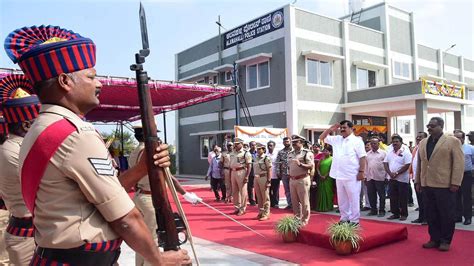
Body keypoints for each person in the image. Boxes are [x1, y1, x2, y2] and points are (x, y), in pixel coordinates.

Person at [6, 25, 191, 265]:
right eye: (91, 76)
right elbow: (126, 218)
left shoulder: (42, 128)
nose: (99, 83)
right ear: (65, 81)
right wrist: (159, 259)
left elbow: (94, 197)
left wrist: (142, 168)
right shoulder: (76, 134)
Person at [129, 126, 201, 266]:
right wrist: (186, 194)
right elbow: (168, 176)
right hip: (151, 199)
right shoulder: (151, 152)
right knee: (153, 241)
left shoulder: (135, 151)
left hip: (139, 196)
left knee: (142, 239)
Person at [0, 74, 41, 265]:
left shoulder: (15, 147)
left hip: (30, 232)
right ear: (26, 125)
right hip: (27, 236)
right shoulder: (15, 151)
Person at [415, 117, 464, 252]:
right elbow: (420, 163)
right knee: (431, 214)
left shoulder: (452, 141)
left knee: (446, 214)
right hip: (427, 184)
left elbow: (459, 163)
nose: (429, 128)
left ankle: (445, 240)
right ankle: (434, 239)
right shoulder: (423, 142)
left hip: (445, 185)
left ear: (441, 126)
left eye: (432, 126)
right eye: (428, 125)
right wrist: (418, 181)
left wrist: (455, 182)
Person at [320, 120, 366, 225]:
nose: (342, 129)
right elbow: (321, 138)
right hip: (339, 174)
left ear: (351, 128)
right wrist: (330, 129)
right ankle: (344, 218)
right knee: (342, 199)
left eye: (344, 127)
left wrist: (361, 172)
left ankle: (354, 220)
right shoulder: (337, 139)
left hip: (352, 175)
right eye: (341, 128)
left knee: (354, 198)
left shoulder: (357, 141)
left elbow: (362, 157)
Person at [383, 135, 412, 221]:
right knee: (393, 197)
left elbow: (407, 165)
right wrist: (390, 173)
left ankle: (404, 214)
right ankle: (395, 213)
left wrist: (397, 173)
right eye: (393, 142)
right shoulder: (389, 152)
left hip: (402, 179)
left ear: (401, 142)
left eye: (397, 141)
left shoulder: (405, 151)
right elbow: (385, 163)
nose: (395, 143)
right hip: (391, 178)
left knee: (403, 197)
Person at [288, 135, 314, 226]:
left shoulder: (307, 153)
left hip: (302, 179)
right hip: (292, 179)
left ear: (301, 142)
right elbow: (289, 165)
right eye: (293, 142)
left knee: (304, 201)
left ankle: (304, 220)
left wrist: (301, 164)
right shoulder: (290, 153)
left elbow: (311, 165)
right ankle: (297, 218)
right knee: (294, 201)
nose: (294, 143)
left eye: (296, 142)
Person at [453, 129, 473, 225]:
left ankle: (468, 217)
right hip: (455, 175)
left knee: (466, 197)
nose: (456, 139)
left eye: (459, 138)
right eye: (455, 137)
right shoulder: (451, 148)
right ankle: (458, 216)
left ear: (463, 139)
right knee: (455, 196)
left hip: (466, 175)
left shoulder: (470, 148)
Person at [229, 138, 252, 216]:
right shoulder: (232, 153)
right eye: (235, 143)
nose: (236, 145)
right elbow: (230, 165)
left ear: (242, 143)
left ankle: (242, 209)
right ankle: (237, 207)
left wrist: (247, 176)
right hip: (233, 172)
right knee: (235, 191)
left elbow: (249, 166)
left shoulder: (246, 153)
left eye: (238, 143)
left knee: (243, 191)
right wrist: (230, 175)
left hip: (241, 171)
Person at [365, 137, 387, 217]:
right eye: (371, 143)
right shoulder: (367, 154)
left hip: (380, 177)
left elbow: (387, 165)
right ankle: (373, 210)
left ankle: (382, 210)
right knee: (371, 195)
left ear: (378, 144)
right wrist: (365, 177)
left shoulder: (383, 153)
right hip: (370, 177)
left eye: (375, 143)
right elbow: (366, 166)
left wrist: (387, 177)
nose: (373, 145)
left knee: (382, 195)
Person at [410, 132, 428, 224]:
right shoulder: (416, 148)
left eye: (420, 137)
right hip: (415, 177)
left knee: (425, 199)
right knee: (419, 199)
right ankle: (421, 217)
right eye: (417, 137)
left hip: (423, 177)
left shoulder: (425, 148)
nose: (418, 139)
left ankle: (426, 218)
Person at [253, 143, 272, 221]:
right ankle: (261, 212)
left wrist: (268, 180)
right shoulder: (256, 158)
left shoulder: (266, 158)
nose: (257, 150)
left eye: (259, 149)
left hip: (263, 177)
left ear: (263, 149)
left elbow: (269, 169)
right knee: (259, 196)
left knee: (265, 197)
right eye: (257, 149)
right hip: (256, 178)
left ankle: (266, 213)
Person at [315, 145, 335, 212]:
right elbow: (317, 167)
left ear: (330, 152)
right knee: (321, 191)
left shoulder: (332, 159)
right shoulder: (321, 159)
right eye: (324, 151)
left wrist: (325, 176)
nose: (324, 152)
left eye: (326, 151)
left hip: (328, 178)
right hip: (320, 177)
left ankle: (328, 206)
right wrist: (320, 175)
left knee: (328, 191)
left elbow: (332, 169)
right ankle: (321, 207)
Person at [276, 137, 293, 209]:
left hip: (293, 173)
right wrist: (278, 172)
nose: (286, 143)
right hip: (284, 173)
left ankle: (296, 204)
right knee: (287, 190)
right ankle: (290, 204)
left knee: (294, 189)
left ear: (290, 142)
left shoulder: (294, 151)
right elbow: (278, 162)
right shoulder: (280, 152)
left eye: (287, 141)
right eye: (285, 142)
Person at [266, 140, 280, 210]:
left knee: (276, 190)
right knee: (268, 190)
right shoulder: (266, 154)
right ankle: (270, 203)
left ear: (274, 146)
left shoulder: (277, 154)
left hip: (275, 175)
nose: (269, 147)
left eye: (271, 145)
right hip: (268, 175)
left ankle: (276, 203)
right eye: (268, 145)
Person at [247, 141, 257, 206]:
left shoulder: (258, 153)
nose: (254, 146)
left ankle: (258, 199)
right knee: (250, 187)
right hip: (251, 172)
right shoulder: (247, 153)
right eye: (252, 145)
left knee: (257, 187)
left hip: (258, 172)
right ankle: (251, 200)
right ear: (250, 146)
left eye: (255, 145)